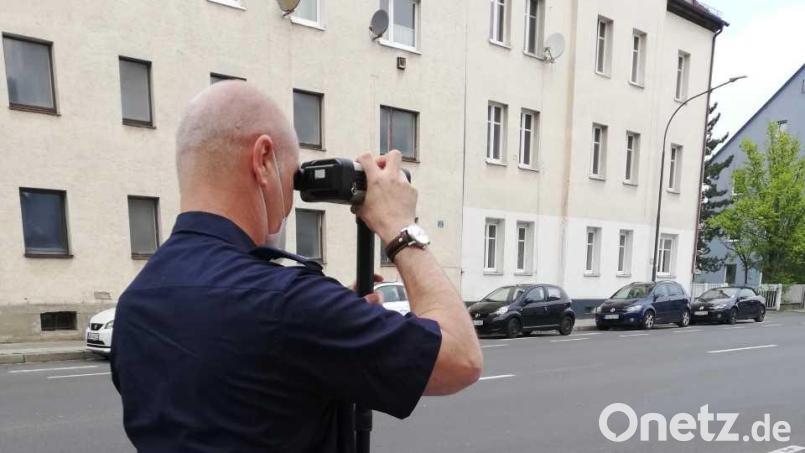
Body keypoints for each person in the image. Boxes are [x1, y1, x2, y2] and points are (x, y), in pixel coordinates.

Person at [110, 81, 483, 453]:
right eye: (291, 178)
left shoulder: (134, 306)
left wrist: (338, 318)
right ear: (263, 160)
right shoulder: (289, 303)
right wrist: (398, 227)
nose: (289, 201)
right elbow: (461, 359)